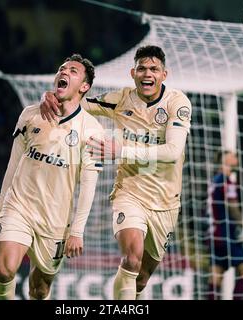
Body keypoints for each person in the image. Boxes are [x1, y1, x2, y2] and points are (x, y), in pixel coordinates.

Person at [41, 45, 192, 300]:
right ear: (133, 73)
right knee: (131, 259)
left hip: (166, 203)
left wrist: (121, 149)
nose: (148, 73)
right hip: (129, 193)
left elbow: (172, 151)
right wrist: (53, 96)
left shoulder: (177, 103)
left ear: (164, 75)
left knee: (141, 280)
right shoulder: (120, 100)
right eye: (142, 68)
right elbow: (78, 103)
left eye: (154, 69)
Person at [0, 54, 104, 300]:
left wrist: (77, 230)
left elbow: (88, 184)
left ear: (84, 86)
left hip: (55, 218)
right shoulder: (31, 114)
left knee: (39, 289)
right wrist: (2, 201)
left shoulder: (93, 129)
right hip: (18, 206)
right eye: (62, 68)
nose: (63, 72)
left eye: (73, 71)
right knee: (4, 270)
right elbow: (14, 160)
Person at [206, 150, 243, 300]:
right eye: (233, 155)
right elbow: (233, 208)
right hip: (225, 234)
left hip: (213, 235)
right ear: (226, 159)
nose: (236, 157)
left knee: (215, 276)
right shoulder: (226, 181)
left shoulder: (215, 180)